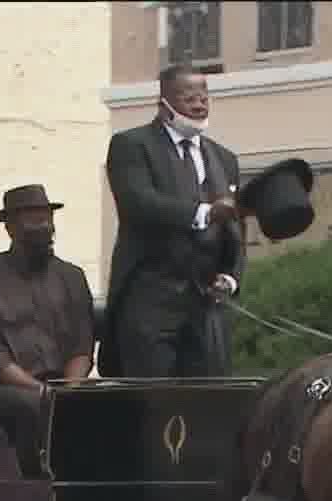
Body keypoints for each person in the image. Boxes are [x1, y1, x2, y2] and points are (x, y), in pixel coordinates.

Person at [100, 63, 245, 380]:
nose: (199, 103)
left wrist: (231, 276)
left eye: (204, 95)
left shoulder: (224, 158)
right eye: (188, 96)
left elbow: (234, 228)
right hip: (152, 303)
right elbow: (139, 204)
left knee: (206, 401)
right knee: (154, 402)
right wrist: (204, 213)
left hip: (207, 307)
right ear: (163, 103)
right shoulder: (132, 146)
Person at [0, 183, 97, 478]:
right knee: (33, 405)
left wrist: (69, 391)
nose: (42, 225)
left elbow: (82, 347)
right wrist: (43, 392)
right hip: (3, 389)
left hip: (62, 385)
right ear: (9, 227)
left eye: (45, 217)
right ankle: (38, 484)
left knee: (112, 402)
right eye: (31, 218)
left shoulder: (72, 277)